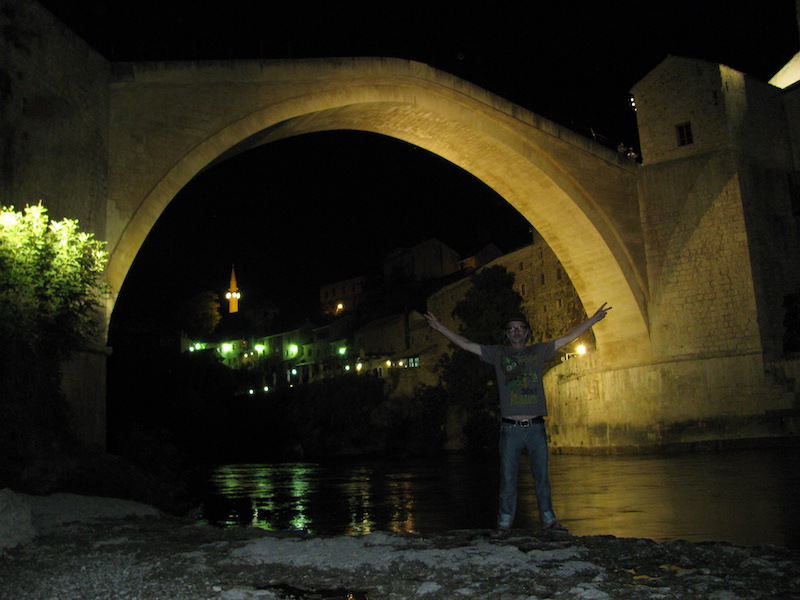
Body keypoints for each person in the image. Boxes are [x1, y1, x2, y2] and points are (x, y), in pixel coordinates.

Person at [424, 303, 611, 539]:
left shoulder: (538, 351)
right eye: (512, 329)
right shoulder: (498, 354)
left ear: (527, 332)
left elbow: (568, 337)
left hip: (535, 427)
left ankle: (549, 520)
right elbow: (467, 344)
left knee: (542, 477)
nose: (516, 332)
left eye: (520, 328)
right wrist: (440, 327)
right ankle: (504, 525)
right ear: (506, 333)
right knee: (508, 479)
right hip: (510, 429)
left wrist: (593, 320)